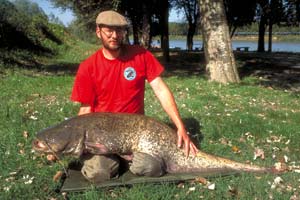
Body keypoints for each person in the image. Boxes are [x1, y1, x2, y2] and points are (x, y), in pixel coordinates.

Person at [70, 10, 198, 183]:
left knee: (151, 167)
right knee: (98, 174)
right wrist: (74, 142)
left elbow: (161, 89)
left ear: (124, 32)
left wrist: (180, 126)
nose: (114, 35)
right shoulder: (87, 67)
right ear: (98, 31)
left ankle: (126, 161)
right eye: (109, 30)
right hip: (101, 135)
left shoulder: (141, 55)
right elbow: (85, 108)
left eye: (119, 30)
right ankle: (110, 161)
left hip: (136, 135)